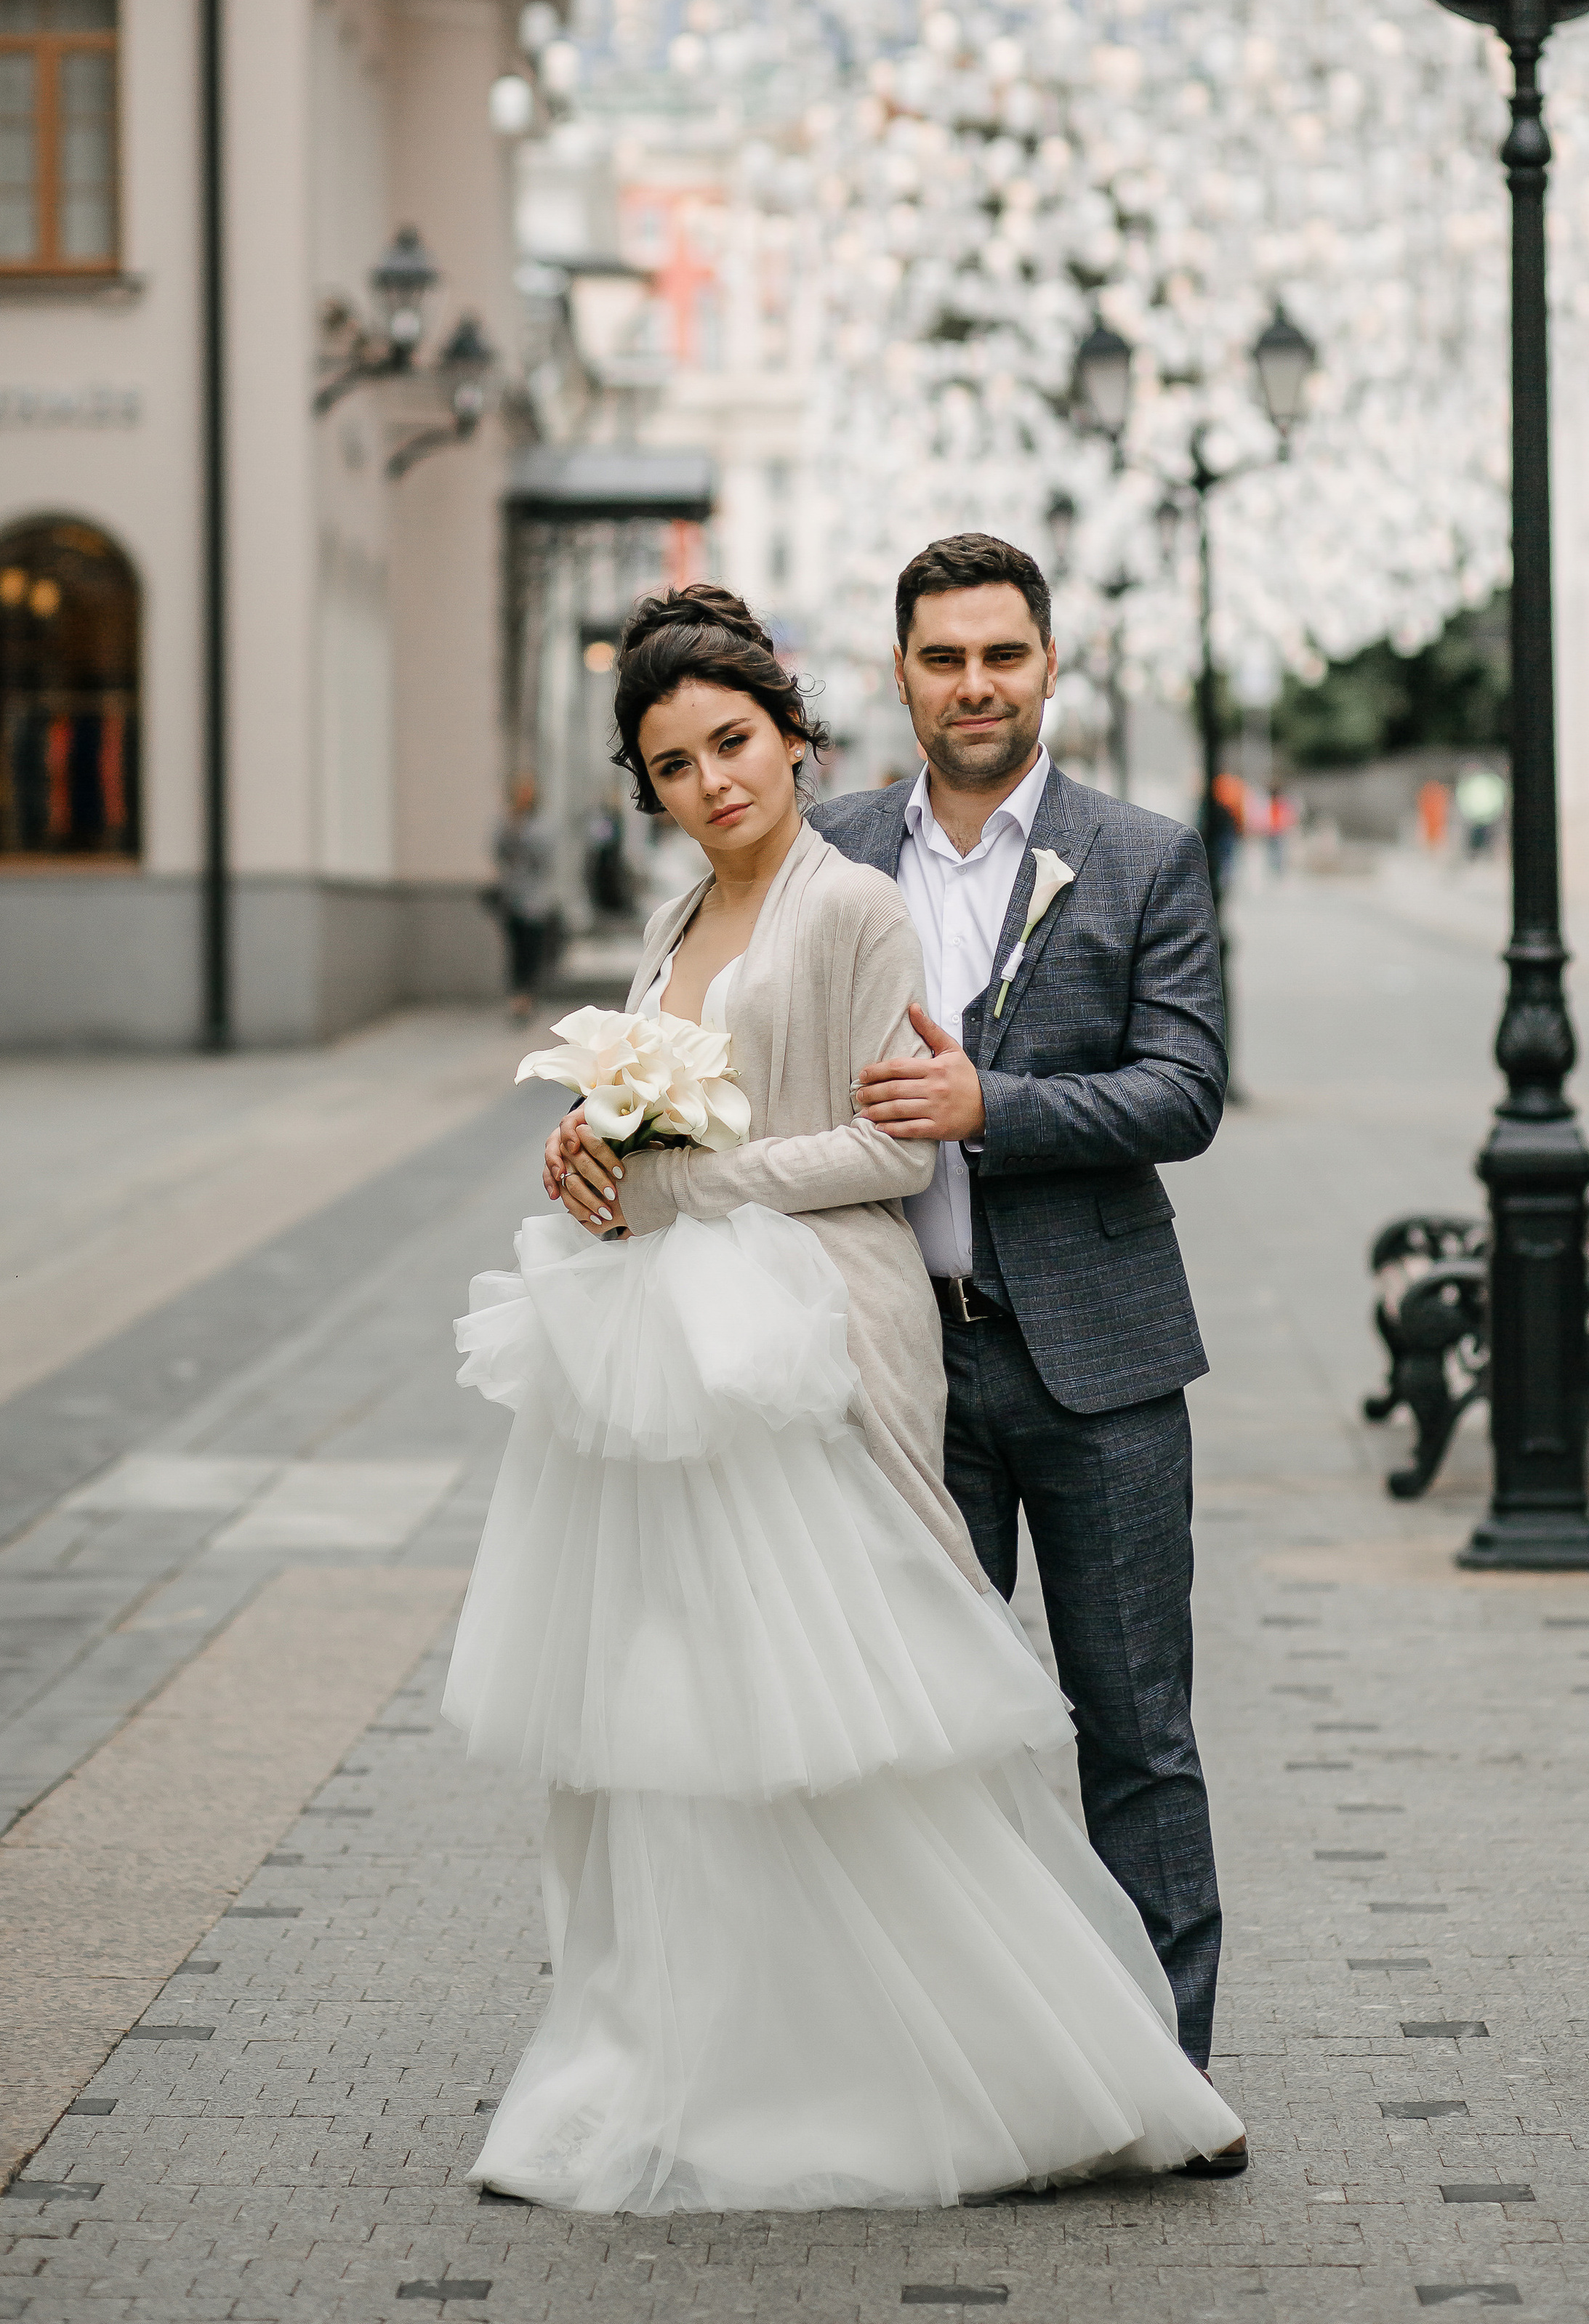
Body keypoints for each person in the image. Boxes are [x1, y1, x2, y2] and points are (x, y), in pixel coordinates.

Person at [466, 582, 1244, 2214]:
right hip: (856, 1354)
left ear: (1046, 665)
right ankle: (876, 2054)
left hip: (1071, 1345)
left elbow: (1174, 1090)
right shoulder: (802, 868)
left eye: (1000, 654)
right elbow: (705, 1093)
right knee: (882, 1734)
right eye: (942, 657)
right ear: (891, 682)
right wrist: (602, 1148)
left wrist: (978, 1105)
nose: (712, 779)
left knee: (1127, 1727)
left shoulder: (1128, 857)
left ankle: (1150, 2065)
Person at [492, 774, 558, 1022]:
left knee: (532, 951)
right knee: (515, 951)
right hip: (512, 900)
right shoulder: (507, 821)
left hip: (536, 900)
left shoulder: (542, 824)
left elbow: (545, 854)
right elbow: (497, 849)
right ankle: (517, 998)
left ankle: (528, 997)